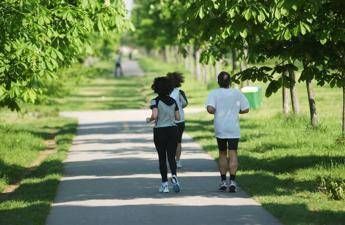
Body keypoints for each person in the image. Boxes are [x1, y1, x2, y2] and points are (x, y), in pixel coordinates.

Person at [205, 71, 249, 192]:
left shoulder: (214, 93)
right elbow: (246, 109)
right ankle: (233, 182)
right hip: (233, 128)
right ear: (230, 82)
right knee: (233, 153)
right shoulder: (237, 93)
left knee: (222, 153)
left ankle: (223, 182)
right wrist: (236, 111)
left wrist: (214, 110)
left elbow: (210, 109)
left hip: (220, 128)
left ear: (218, 82)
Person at [146, 77, 181, 193]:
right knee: (171, 157)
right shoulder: (173, 101)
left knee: (162, 157)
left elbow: (155, 115)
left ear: (155, 88)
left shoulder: (155, 101)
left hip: (160, 131)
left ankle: (165, 184)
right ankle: (174, 176)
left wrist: (149, 119)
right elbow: (178, 118)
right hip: (173, 130)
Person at [167, 72, 188, 168]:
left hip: (168, 121)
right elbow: (185, 104)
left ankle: (170, 161)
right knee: (178, 142)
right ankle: (178, 161)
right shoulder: (180, 92)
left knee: (169, 142)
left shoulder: (166, 92)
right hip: (180, 120)